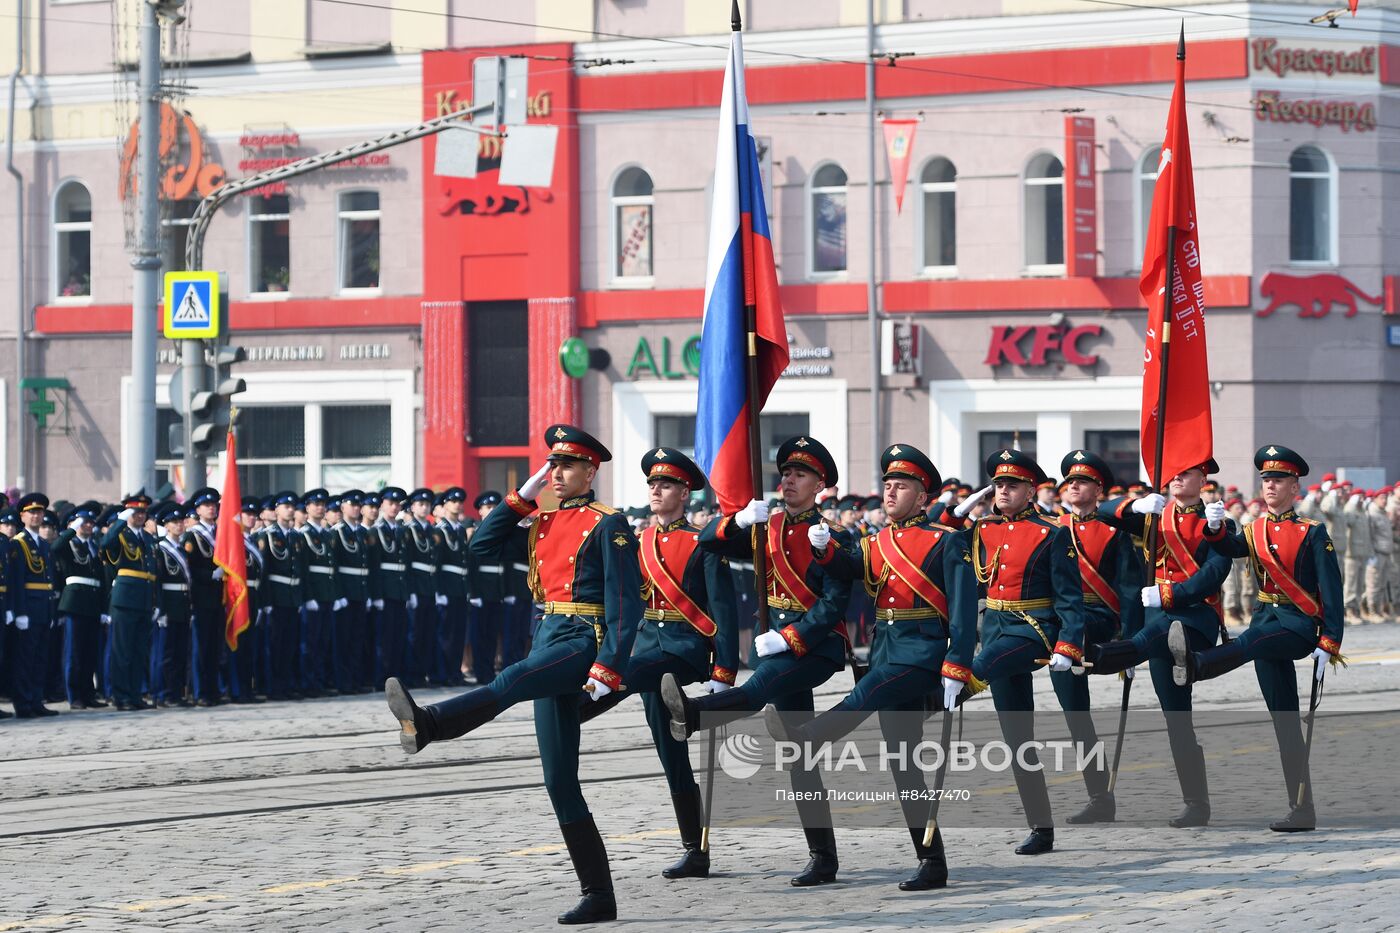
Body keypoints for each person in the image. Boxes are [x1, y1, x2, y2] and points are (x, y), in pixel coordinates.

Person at [385, 425, 641, 924]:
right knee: (559, 780)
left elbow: (626, 604)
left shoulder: (609, 524)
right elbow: (482, 545)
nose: (557, 474)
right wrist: (522, 497)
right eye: (552, 465)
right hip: (548, 634)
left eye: (567, 465)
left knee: (511, 681)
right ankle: (599, 895)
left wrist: (611, 665)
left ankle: (430, 724)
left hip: (581, 639)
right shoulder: (542, 523)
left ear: (591, 471)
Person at [767, 443, 970, 890]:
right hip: (885, 649)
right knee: (905, 765)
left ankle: (809, 736)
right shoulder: (874, 541)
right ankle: (931, 860)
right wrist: (823, 550)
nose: (891, 492)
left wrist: (958, 664)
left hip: (922, 653)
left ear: (923, 496)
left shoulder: (945, 540)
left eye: (902, 486)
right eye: (888, 485)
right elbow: (848, 566)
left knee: (869, 690)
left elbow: (964, 610)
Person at [662, 435, 855, 887]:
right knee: (799, 754)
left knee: (756, 689)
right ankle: (823, 857)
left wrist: (790, 637)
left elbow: (833, 603)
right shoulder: (762, 526)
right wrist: (734, 522)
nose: (788, 480)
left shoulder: (834, 536)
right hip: (775, 643)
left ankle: (693, 715)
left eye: (799, 474)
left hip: (815, 647)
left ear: (819, 483)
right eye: (785, 472)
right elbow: (708, 541)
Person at [578, 447, 738, 880]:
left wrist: (724, 672)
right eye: (652, 483)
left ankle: (573, 710)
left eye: (665, 484)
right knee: (673, 755)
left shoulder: (703, 543)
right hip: (647, 648)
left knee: (622, 679)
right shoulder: (638, 540)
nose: (655, 490)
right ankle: (696, 850)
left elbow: (723, 608)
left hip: (685, 649)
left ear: (684, 493)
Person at [1169, 445, 1344, 831]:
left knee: (1252, 640)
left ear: (1294, 487)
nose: (1270, 486)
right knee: (1284, 721)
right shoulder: (1255, 529)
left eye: (1278, 479)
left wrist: (1330, 640)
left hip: (1298, 625)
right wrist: (1214, 528)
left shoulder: (1312, 532)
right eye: (1266, 479)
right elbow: (1230, 549)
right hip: (1267, 618)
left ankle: (1199, 664)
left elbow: (1332, 590)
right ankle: (1302, 809)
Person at [939, 450, 1085, 856]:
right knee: (1017, 735)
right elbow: (943, 536)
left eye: (1012, 485)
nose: (1003, 490)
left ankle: (927, 702)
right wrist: (960, 509)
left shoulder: (1052, 532)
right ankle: (1041, 828)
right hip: (998, 626)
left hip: (1034, 629)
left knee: (979, 666)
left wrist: (1068, 646)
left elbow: (1070, 598)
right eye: (998, 484)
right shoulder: (982, 529)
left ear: (1031, 490)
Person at [1084, 460, 1234, 828]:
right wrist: (1133, 505)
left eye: (1188, 472)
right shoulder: (1154, 517)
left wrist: (1169, 594)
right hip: (1158, 625)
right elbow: (1101, 513)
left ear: (1203, 480)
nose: (1179, 477)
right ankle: (1197, 803)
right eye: (1175, 472)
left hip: (1194, 619)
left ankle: (1101, 656)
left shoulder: (1218, 524)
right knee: (1176, 719)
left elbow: (1214, 574)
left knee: (1158, 635)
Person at [1052, 450, 1145, 824]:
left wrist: (1133, 647)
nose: (1074, 486)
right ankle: (1099, 796)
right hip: (1060, 625)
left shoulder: (1114, 532)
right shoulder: (1053, 527)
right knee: (1077, 717)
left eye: (1083, 481)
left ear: (1099, 489)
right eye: (1070, 481)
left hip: (1098, 620)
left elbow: (1128, 589)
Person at [101, 492, 158, 713]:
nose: (140, 515)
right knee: (122, 651)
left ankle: (135, 694)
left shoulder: (148, 538)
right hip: (125, 600)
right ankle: (121, 696)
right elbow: (105, 544)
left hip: (144, 599)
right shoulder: (121, 534)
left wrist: (156, 602)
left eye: (143, 512)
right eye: (136, 512)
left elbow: (154, 572)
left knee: (138, 651)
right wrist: (119, 521)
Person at [6, 493, 59, 718]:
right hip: (28, 607)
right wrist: (20, 611)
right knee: (25, 658)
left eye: (40, 512)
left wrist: (52, 611)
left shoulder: (44, 545)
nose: (37, 516)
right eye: (32, 512)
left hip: (44, 608)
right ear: (22, 516)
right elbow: (16, 581)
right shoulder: (19, 543)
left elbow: (49, 580)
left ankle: (36, 699)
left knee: (40, 658)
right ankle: (23, 702)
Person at [55, 502, 108, 709]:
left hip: (92, 602)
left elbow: (101, 579)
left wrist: (103, 609)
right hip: (75, 601)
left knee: (89, 652)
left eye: (90, 522)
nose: (88, 526)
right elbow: (55, 547)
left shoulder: (93, 545)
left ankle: (88, 693)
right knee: (74, 652)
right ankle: (74, 694)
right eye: (84, 522)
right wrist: (70, 529)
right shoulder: (69, 543)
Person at [258, 492, 304, 701]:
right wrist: (266, 601)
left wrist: (300, 598)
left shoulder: (295, 536)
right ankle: (273, 686)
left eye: (292, 506)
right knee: (274, 645)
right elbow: (263, 572)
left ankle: (286, 684)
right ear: (276, 511)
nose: (290, 509)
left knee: (289, 644)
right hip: (275, 598)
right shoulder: (266, 536)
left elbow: (301, 570)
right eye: (285, 506)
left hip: (292, 597)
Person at [181, 487, 224, 707]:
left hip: (221, 596)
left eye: (214, 505)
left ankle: (213, 689)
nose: (211, 508)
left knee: (215, 646)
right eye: (207, 505)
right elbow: (188, 569)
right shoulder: (192, 535)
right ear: (197, 509)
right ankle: (199, 691)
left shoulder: (222, 533)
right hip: (201, 596)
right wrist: (210, 575)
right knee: (201, 646)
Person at [153, 502, 193, 708]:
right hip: (169, 605)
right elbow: (157, 581)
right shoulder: (161, 549)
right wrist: (160, 609)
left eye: (181, 522)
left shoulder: (182, 549)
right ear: (166, 526)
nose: (179, 525)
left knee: (180, 652)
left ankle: (176, 693)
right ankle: (164, 693)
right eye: (174, 522)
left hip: (183, 605)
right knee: (167, 653)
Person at [330, 491, 371, 694]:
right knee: (343, 640)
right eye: (351, 504)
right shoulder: (336, 532)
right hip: (346, 594)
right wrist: (338, 595)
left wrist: (369, 593)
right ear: (343, 507)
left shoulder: (363, 533)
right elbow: (334, 567)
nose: (356, 508)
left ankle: (355, 680)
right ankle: (343, 681)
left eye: (358, 505)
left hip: (361, 593)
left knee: (357, 639)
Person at [298, 489, 336, 697]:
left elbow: (331, 568)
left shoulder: (326, 534)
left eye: (322, 504)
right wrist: (308, 596)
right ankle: (308, 682)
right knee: (310, 643)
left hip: (327, 595)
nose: (320, 507)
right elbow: (304, 570)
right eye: (315, 504)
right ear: (307, 508)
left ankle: (319, 681)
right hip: (313, 596)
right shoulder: (304, 534)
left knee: (323, 641)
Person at [467, 491, 508, 685]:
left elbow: (503, 569)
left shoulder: (500, 535)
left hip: (496, 594)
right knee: (479, 635)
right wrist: (474, 593)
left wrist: (503, 593)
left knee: (492, 635)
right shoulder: (477, 533)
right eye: (488, 508)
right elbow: (471, 567)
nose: (492, 511)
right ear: (480, 511)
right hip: (480, 593)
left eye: (495, 507)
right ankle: (479, 670)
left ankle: (489, 671)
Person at [433, 487, 471, 687]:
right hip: (447, 587)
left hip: (460, 588)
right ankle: (443, 673)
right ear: (445, 505)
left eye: (459, 501)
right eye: (453, 501)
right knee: (445, 633)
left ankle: (455, 672)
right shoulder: (440, 530)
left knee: (458, 633)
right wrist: (439, 591)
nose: (457, 504)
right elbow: (436, 563)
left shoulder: (460, 530)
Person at [372, 487, 410, 684]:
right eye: (390, 503)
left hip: (400, 590)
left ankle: (396, 674)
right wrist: (377, 595)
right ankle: (382, 676)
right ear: (382, 506)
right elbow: (374, 565)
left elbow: (406, 563)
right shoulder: (377, 531)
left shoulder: (402, 531)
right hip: (386, 590)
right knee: (384, 637)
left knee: (398, 635)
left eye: (397, 504)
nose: (394, 507)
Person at [404, 487, 440, 688]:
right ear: (412, 507)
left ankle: (423, 672)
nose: (424, 507)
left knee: (427, 632)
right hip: (417, 587)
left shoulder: (430, 530)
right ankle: (412, 674)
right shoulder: (409, 530)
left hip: (429, 586)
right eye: (420, 504)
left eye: (427, 505)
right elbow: (407, 562)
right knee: (414, 633)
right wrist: (411, 592)